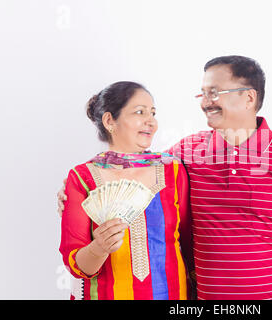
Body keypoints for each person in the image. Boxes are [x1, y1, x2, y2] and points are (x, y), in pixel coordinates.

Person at [58, 56, 272, 300]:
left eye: (215, 93)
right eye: (202, 94)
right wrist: (71, 194)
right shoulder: (185, 154)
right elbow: (131, 166)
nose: (205, 103)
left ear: (249, 98)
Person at [59, 81, 193, 300]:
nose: (151, 121)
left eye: (153, 113)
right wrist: (99, 248)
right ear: (110, 121)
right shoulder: (82, 178)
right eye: (140, 112)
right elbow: (76, 265)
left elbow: (188, 243)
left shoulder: (173, 170)